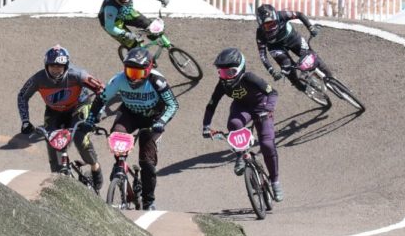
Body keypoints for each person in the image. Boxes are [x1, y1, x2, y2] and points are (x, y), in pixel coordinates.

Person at [84, 47, 179, 210]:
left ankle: (149, 201)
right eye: (130, 71)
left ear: (149, 70)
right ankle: (121, 170)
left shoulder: (158, 81)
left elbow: (173, 104)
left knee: (147, 162)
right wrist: (91, 119)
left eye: (138, 73)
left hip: (153, 119)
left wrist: (162, 122)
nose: (133, 78)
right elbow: (101, 99)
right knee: (117, 140)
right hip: (130, 114)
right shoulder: (119, 79)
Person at [17, 45, 107, 190]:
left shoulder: (78, 75)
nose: (56, 69)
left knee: (79, 137)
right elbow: (22, 96)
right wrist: (25, 121)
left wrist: (97, 113)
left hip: (78, 107)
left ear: (67, 65)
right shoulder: (37, 79)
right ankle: (59, 182)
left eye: (60, 66)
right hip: (54, 111)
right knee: (53, 144)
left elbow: (102, 90)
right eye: (52, 66)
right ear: (46, 66)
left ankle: (95, 167)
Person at [202, 48, 283, 202]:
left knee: (267, 145)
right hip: (242, 108)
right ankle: (240, 155)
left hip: (261, 108)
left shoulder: (250, 78)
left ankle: (275, 181)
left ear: (240, 69)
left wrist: (268, 109)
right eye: (222, 73)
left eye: (230, 73)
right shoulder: (222, 84)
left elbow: (273, 93)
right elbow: (211, 104)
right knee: (234, 124)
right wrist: (206, 125)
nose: (226, 77)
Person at [255, 3, 331, 92]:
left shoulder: (282, 15)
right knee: (288, 69)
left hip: (292, 38)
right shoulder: (260, 34)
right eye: (267, 26)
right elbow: (263, 55)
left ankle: (330, 76)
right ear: (261, 25)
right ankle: (300, 86)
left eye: (273, 23)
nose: (271, 27)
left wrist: (311, 28)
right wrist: (272, 71)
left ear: (276, 18)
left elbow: (299, 14)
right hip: (276, 48)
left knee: (312, 56)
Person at [98, 0, 170, 49]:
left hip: (126, 12)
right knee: (132, 44)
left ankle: (156, 39)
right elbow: (109, 27)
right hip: (113, 22)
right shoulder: (110, 7)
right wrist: (125, 34)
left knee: (148, 25)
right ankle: (135, 55)